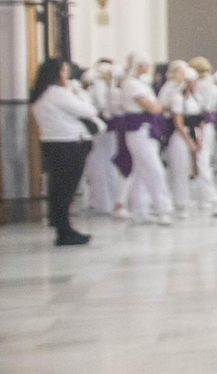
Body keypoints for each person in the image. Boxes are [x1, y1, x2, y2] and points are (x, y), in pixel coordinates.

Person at [31, 57, 102, 246]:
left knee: (59, 188)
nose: (67, 75)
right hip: (68, 144)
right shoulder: (56, 93)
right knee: (65, 189)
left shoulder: (41, 93)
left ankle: (63, 227)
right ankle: (64, 230)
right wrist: (77, 92)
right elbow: (87, 110)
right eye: (63, 71)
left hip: (53, 143)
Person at [112, 56, 174, 226]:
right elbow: (154, 107)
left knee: (140, 172)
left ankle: (141, 209)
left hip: (147, 130)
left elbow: (156, 106)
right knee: (155, 170)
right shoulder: (131, 85)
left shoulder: (142, 84)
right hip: (138, 132)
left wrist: (156, 105)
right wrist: (156, 105)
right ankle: (163, 208)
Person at [188, 56, 217, 217]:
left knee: (201, 162)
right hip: (203, 126)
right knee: (203, 162)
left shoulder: (198, 85)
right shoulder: (208, 85)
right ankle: (211, 199)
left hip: (202, 125)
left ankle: (204, 199)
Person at [82, 59, 118, 216]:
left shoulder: (108, 87)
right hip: (101, 131)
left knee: (106, 164)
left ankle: (107, 201)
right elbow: (103, 106)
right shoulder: (98, 88)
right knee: (100, 165)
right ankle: (103, 202)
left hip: (107, 130)